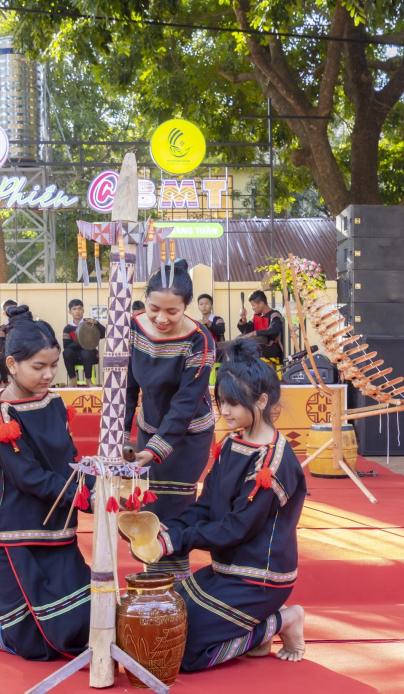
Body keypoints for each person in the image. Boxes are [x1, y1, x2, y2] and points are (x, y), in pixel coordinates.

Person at [142, 338, 307, 670]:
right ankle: (254, 637)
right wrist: (169, 530)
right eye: (220, 401)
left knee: (181, 654)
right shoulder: (233, 442)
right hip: (225, 571)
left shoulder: (272, 463)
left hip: (258, 579)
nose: (224, 411)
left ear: (261, 401)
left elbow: (237, 527)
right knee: (160, 626)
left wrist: (175, 541)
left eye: (232, 403)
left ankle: (283, 620)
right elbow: (206, 505)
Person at [0, 307, 92, 660]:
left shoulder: (52, 401)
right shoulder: (0, 415)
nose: (49, 374)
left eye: (54, 365)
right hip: (16, 531)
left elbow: (69, 459)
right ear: (11, 365)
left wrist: (99, 481)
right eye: (38, 367)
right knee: (34, 646)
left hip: (57, 524)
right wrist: (85, 495)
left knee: (79, 633)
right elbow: (30, 477)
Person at [124, 260, 215, 580]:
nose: (161, 318)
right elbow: (127, 387)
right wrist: (123, 435)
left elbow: (185, 403)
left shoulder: (200, 340)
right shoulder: (132, 328)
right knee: (148, 504)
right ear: (144, 300)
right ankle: (154, 577)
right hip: (148, 427)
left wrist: (156, 449)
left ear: (186, 307)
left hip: (188, 434)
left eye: (172, 312)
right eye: (154, 308)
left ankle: (176, 584)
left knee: (174, 507)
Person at [61, 299, 105, 387]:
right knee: (66, 352)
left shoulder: (89, 323)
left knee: (86, 352)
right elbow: (66, 346)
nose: (77, 311)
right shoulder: (67, 328)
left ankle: (88, 380)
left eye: (79, 308)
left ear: (83, 311)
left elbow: (103, 334)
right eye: (74, 309)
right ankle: (73, 381)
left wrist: (97, 323)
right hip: (75, 357)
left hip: (89, 355)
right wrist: (82, 342)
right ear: (70, 312)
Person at [238, 290, 285, 364]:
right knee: (239, 342)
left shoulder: (274, 315)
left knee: (251, 348)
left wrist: (254, 333)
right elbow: (246, 332)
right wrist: (243, 318)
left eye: (253, 305)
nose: (252, 308)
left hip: (271, 347)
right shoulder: (256, 316)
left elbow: (274, 330)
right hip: (258, 345)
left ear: (261, 304)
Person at [197, 294, 226, 363]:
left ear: (212, 306)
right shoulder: (198, 323)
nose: (203, 306)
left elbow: (220, 331)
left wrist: (208, 323)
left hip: (218, 352)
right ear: (198, 306)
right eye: (201, 304)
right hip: (203, 353)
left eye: (206, 303)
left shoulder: (218, 319)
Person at [0, 299, 18, 386]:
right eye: (9, 310)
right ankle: (5, 382)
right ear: (4, 313)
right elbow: (3, 347)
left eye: (15, 309)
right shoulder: (1, 329)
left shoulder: (23, 326)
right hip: (9, 354)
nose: (13, 312)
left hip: (23, 353)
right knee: (1, 359)